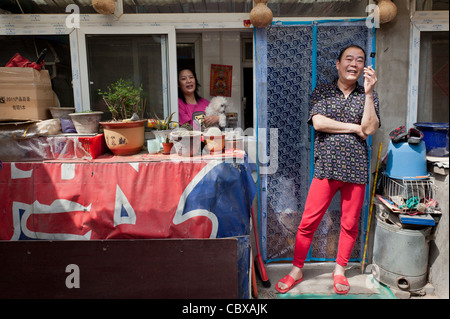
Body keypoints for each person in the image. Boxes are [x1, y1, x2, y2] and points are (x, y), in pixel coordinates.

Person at [276, 45, 380, 295]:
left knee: (349, 224)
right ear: (338, 64)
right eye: (349, 59)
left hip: (356, 170)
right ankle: (296, 269)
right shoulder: (322, 91)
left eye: (360, 60)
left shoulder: (369, 95)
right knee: (308, 221)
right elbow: (319, 123)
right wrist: (355, 129)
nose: (354, 64)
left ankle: (340, 270)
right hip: (326, 168)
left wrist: (368, 94)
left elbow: (371, 127)